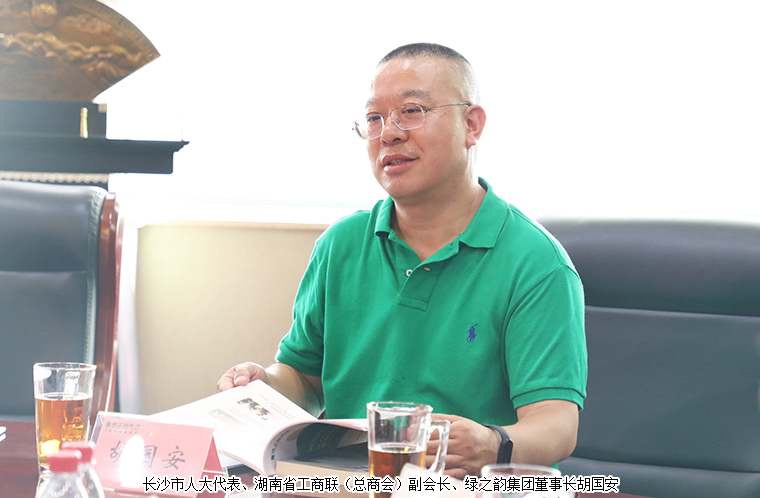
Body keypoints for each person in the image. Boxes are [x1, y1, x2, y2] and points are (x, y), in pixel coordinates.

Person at [218, 43, 587, 479]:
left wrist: (493, 444)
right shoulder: (341, 244)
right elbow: (305, 377)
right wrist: (264, 386)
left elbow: (556, 423)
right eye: (374, 118)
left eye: (411, 111)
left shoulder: (536, 263)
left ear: (471, 125)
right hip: (348, 482)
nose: (388, 134)